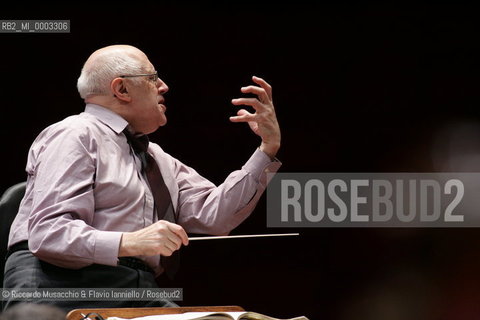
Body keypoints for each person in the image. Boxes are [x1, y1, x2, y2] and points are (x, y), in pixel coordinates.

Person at [2, 45, 281, 311]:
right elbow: (49, 233)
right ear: (121, 88)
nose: (164, 87)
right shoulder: (75, 134)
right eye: (152, 78)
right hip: (59, 286)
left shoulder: (156, 157)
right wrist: (130, 242)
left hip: (136, 289)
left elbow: (215, 216)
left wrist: (267, 149)